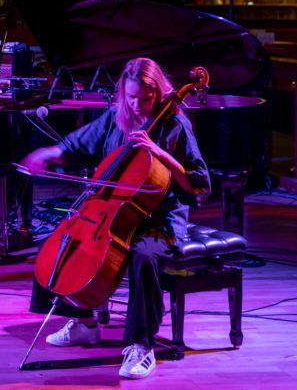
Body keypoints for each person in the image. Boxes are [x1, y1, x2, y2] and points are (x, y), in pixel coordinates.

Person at [21, 57, 210, 380]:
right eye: (131, 97)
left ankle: (142, 345)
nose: (137, 105)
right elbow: (76, 144)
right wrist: (48, 153)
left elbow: (199, 183)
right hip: (114, 213)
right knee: (64, 243)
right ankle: (84, 323)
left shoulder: (176, 125)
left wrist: (162, 155)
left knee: (144, 256)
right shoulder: (116, 117)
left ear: (158, 92)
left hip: (159, 219)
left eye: (145, 98)